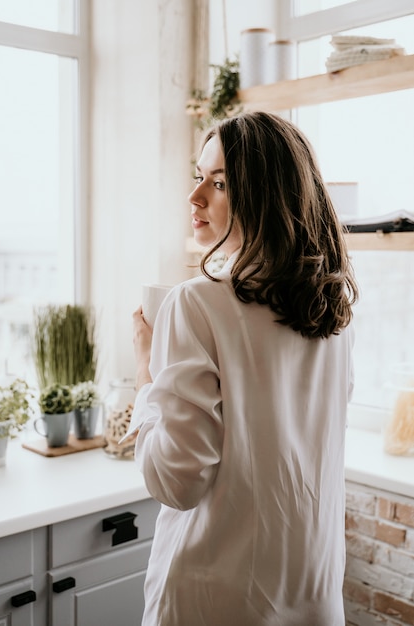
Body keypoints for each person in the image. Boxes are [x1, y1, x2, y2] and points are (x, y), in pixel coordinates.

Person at [127, 111, 358, 626]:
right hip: (312, 593)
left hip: (214, 599)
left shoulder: (197, 304)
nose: (195, 198)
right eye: (198, 178)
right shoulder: (331, 304)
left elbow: (175, 482)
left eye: (221, 183)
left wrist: (145, 372)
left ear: (266, 196)